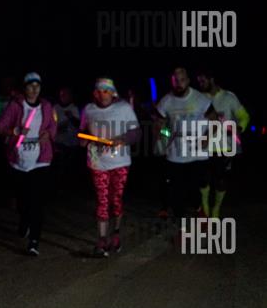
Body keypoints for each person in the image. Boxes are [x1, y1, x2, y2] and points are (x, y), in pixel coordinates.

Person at [0, 72, 57, 256]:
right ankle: (24, 220)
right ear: (25, 87)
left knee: (37, 201)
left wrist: (48, 134)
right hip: (19, 160)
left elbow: (52, 125)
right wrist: (16, 130)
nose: (34, 89)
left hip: (40, 160)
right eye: (31, 85)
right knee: (22, 199)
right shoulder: (16, 105)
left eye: (37, 86)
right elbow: (0, 127)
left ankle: (34, 241)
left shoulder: (46, 106)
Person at [79, 78, 141, 257]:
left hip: (120, 162)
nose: (102, 94)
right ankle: (101, 240)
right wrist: (83, 139)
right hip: (97, 162)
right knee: (102, 201)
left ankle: (116, 233)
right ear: (94, 93)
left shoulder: (124, 108)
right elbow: (83, 132)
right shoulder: (88, 109)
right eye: (99, 91)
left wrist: (122, 139)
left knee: (116, 200)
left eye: (106, 91)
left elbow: (136, 132)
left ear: (113, 92)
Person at [155, 68, 216, 238]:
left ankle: (199, 209)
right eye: (175, 80)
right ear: (172, 82)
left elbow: (215, 120)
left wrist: (207, 138)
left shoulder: (201, 99)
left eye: (182, 80)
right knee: (177, 191)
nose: (179, 84)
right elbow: (159, 122)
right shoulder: (166, 101)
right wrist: (161, 131)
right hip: (176, 153)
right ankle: (181, 228)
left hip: (197, 153)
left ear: (188, 80)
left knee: (194, 188)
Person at [195, 69, 249, 218]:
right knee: (203, 180)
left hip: (224, 146)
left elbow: (244, 116)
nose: (200, 84)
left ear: (211, 79)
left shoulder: (229, 97)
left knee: (220, 181)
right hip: (204, 146)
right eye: (199, 81)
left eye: (203, 81)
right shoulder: (199, 98)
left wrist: (238, 128)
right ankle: (205, 207)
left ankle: (216, 208)